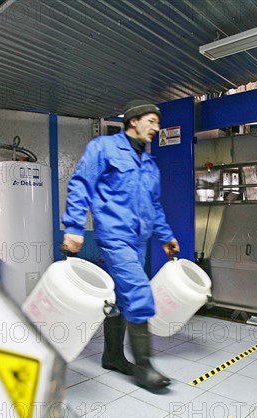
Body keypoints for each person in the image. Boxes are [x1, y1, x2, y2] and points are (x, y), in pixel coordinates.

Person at [61, 100, 179, 393]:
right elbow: (80, 185)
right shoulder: (103, 148)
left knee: (121, 298)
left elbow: (154, 206)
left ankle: (112, 356)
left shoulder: (150, 164)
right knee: (139, 292)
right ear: (133, 121)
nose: (156, 128)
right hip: (114, 237)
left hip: (139, 240)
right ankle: (144, 368)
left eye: (157, 123)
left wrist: (166, 237)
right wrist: (74, 227)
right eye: (151, 121)